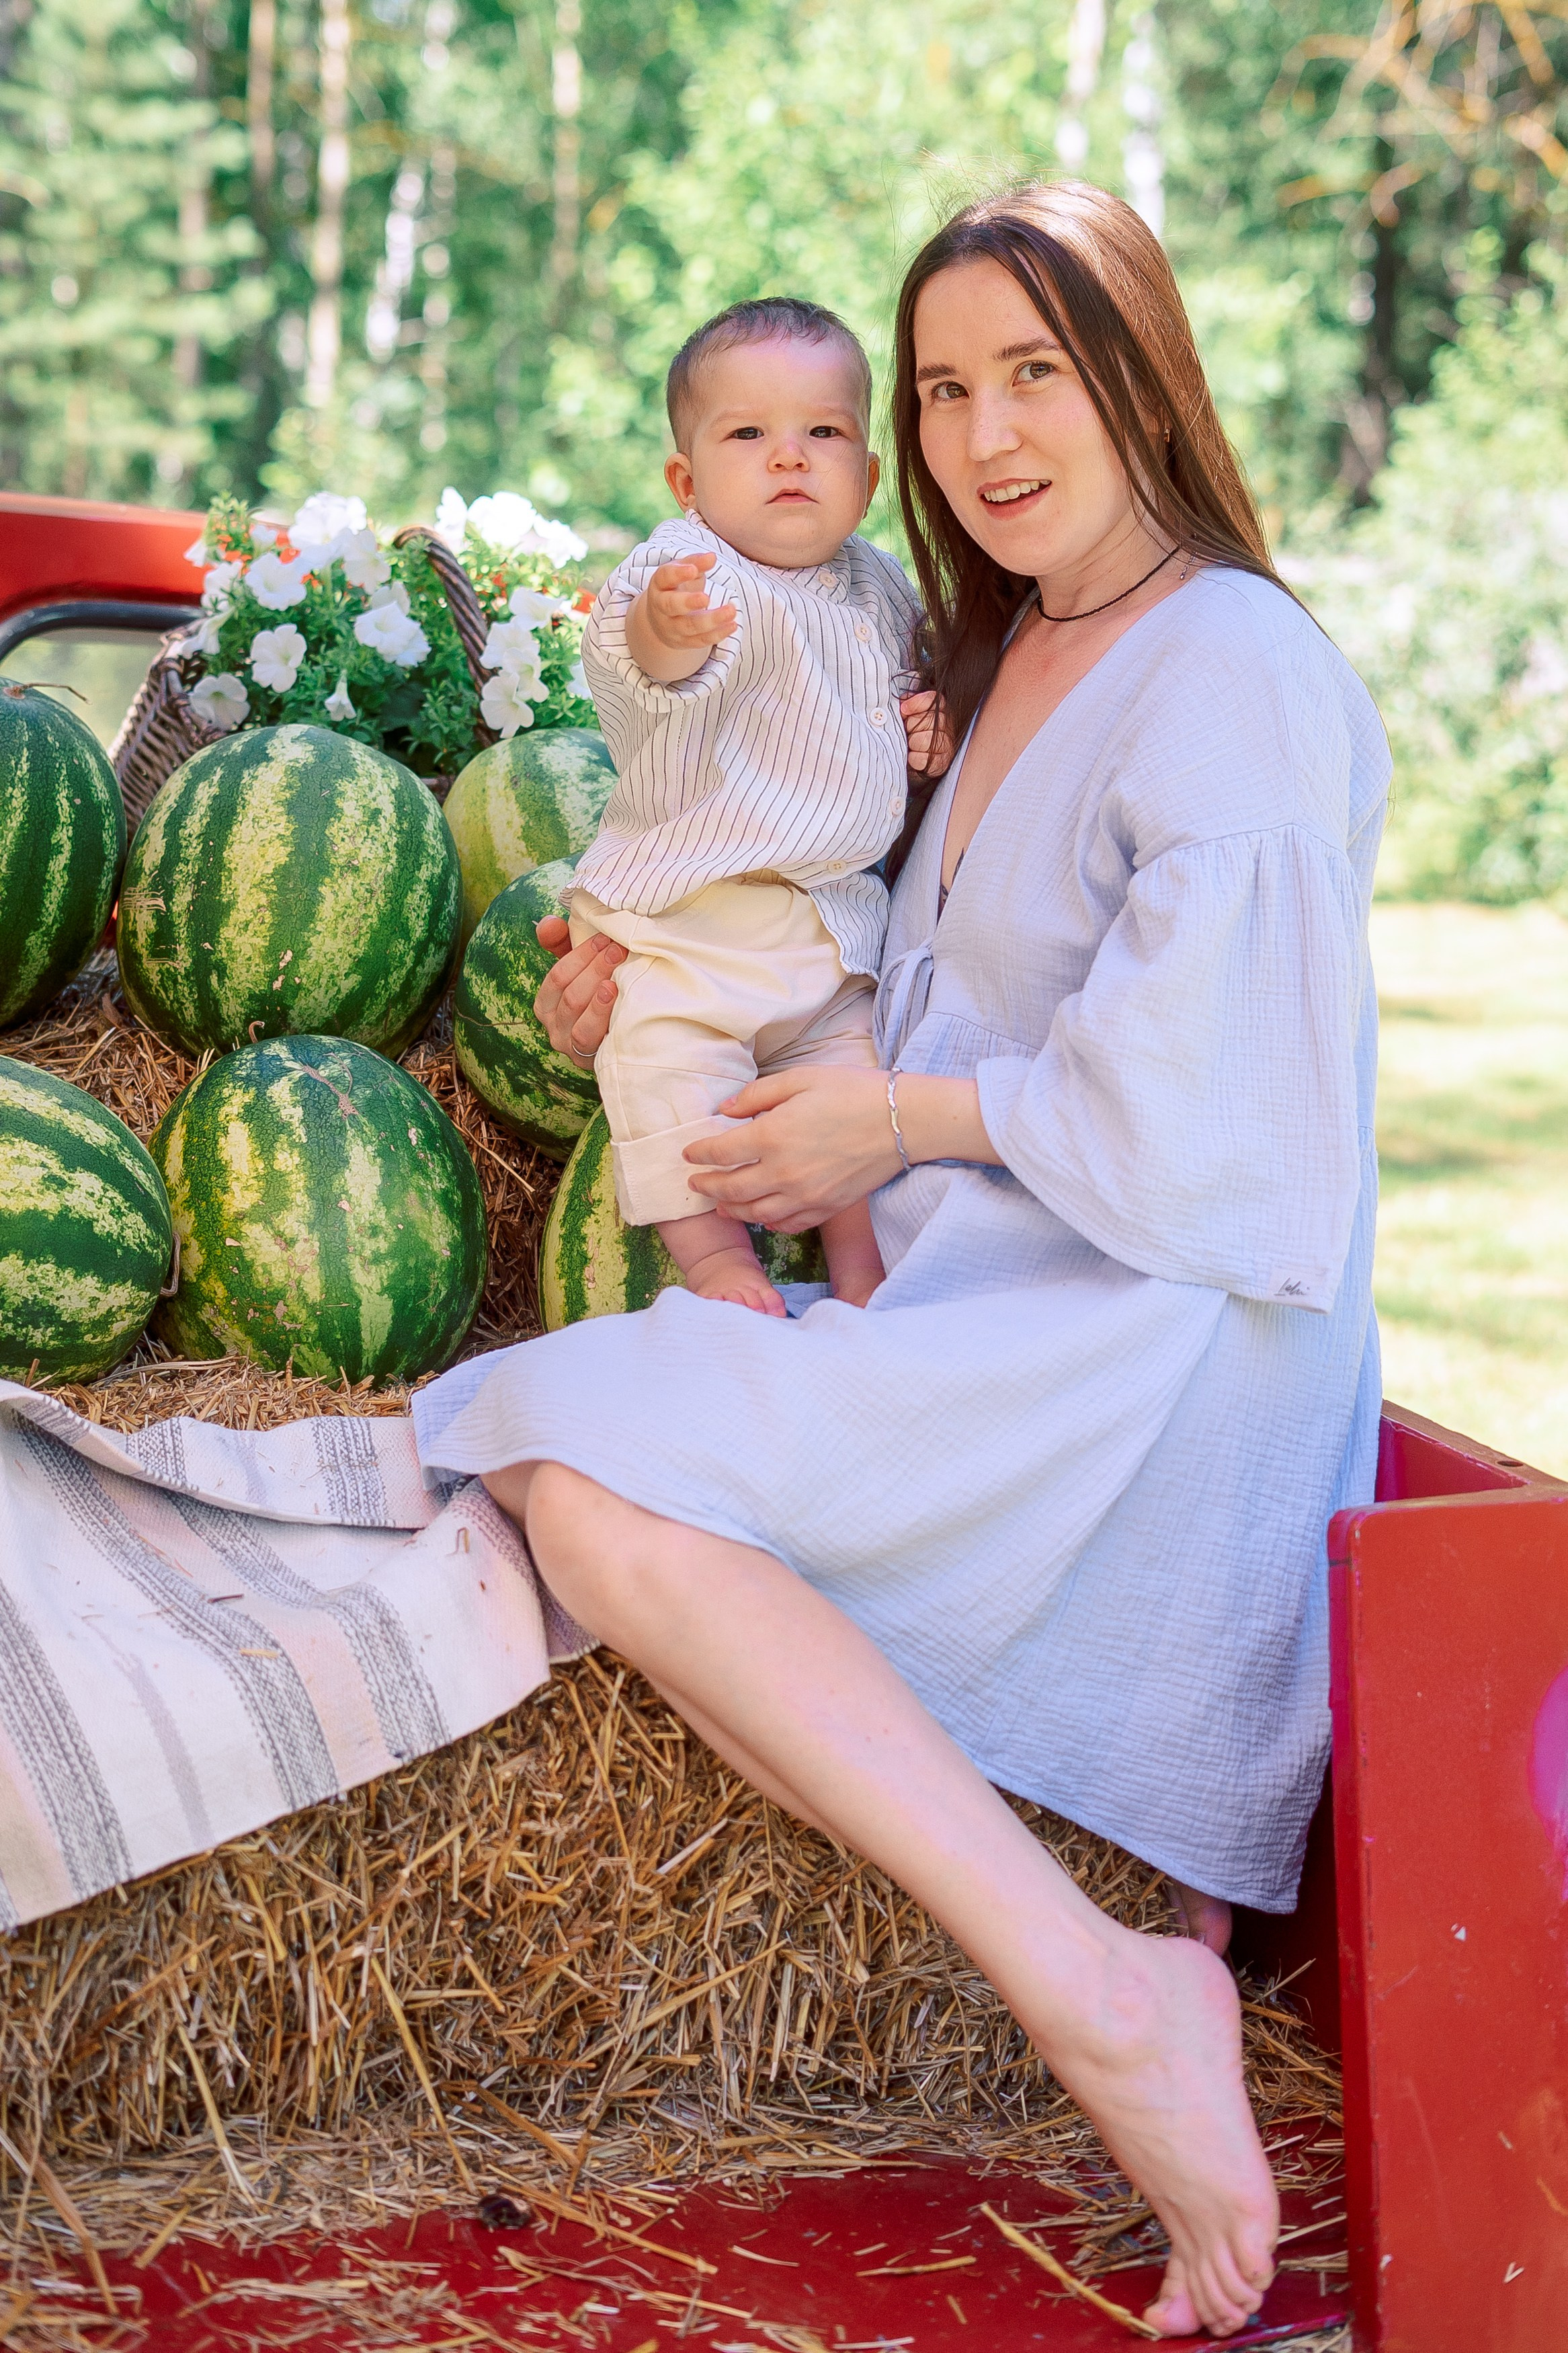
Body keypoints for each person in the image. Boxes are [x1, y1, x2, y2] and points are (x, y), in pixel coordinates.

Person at [413, 180, 1389, 2340]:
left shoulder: (1226, 666)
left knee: (576, 1455)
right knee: (570, 1471)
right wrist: (643, 975)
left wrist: (887, 1125)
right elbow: (862, 951)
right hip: (967, 1291)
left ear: (1141, 367)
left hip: (1149, 1344)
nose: (979, 432)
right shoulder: (993, 641)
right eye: (939, 387)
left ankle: (1102, 1993)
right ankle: (1109, 1971)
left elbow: (1236, 1126)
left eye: (1032, 370)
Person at [567, 296, 942, 1316]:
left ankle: (863, 1278)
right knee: (661, 1072)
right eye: (748, 434)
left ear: (866, 479)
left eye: (821, 432)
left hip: (834, 931)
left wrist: (930, 730)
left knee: (858, 1092)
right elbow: (644, 666)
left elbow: (914, 698)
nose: (788, 458)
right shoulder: (691, 572)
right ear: (688, 484)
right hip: (697, 924)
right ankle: (718, 1264)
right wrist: (664, 628)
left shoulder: (879, 586)